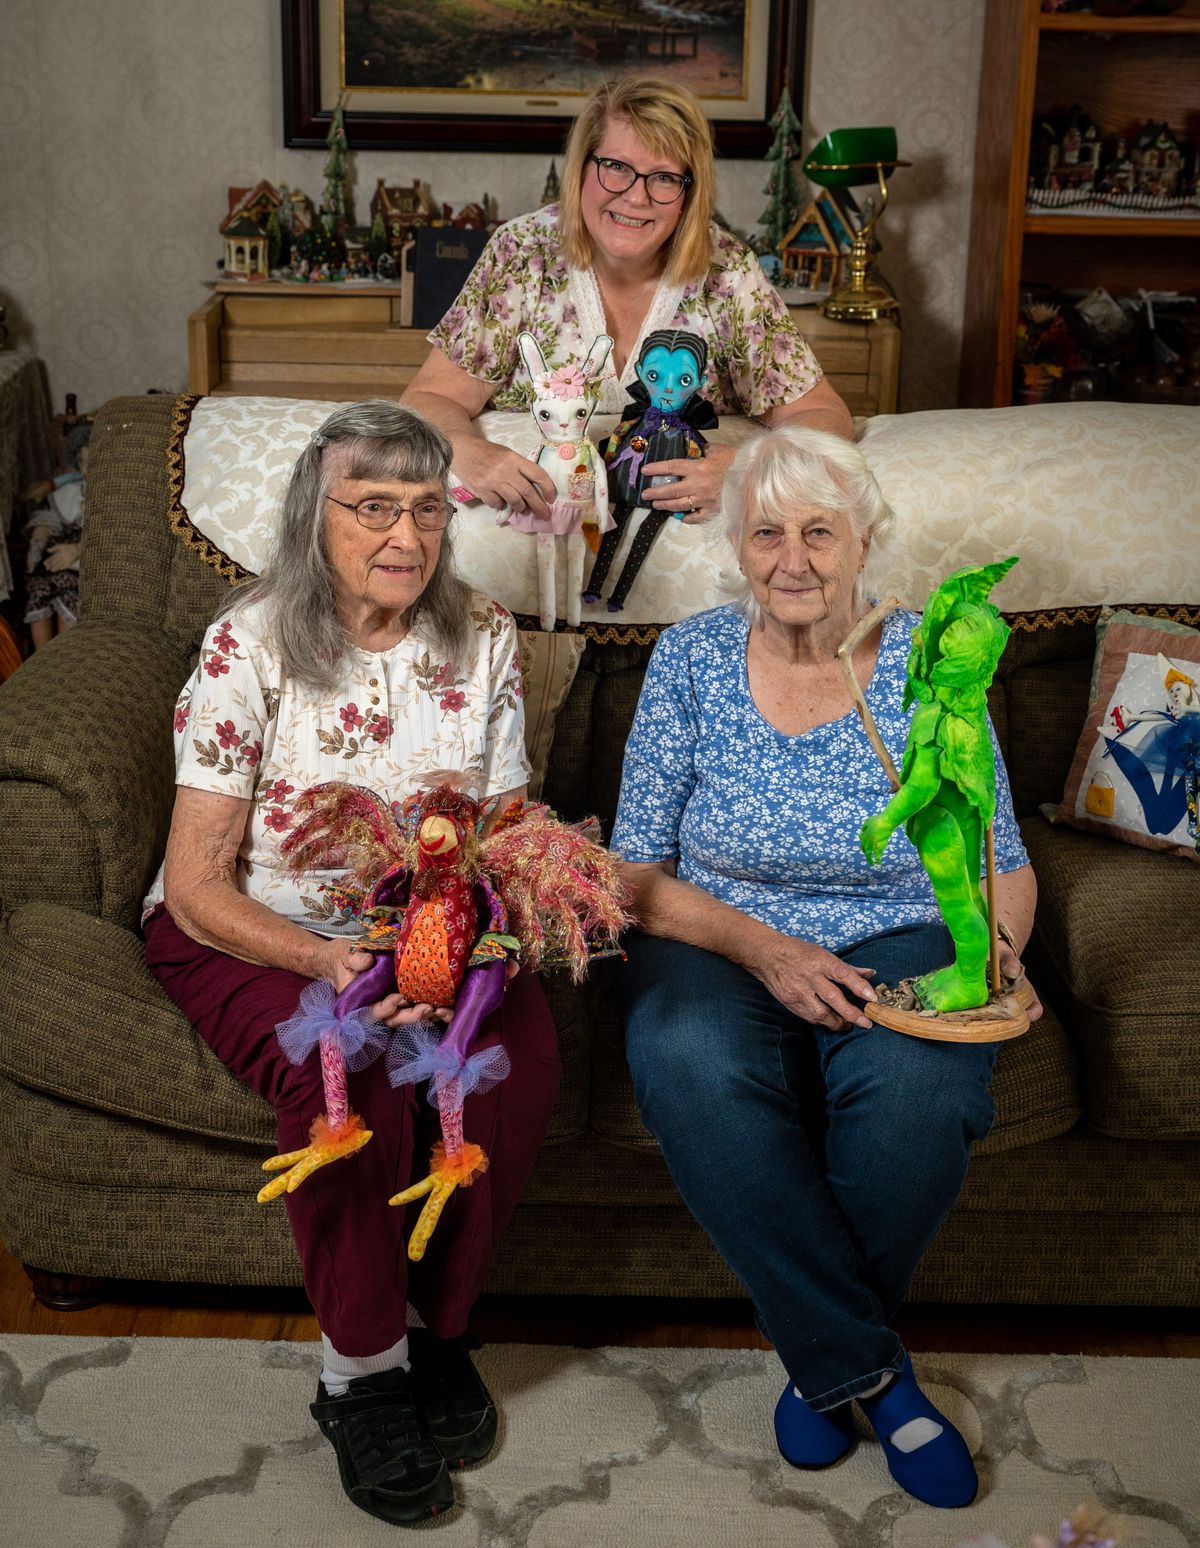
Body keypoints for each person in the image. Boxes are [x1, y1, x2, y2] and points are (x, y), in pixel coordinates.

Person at [142, 401, 560, 1528]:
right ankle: (361, 1375)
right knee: (358, 1064)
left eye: (427, 509)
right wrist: (334, 965)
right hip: (254, 923)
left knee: (510, 1060)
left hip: (433, 923)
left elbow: (508, 825)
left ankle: (439, 1332)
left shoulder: (484, 635)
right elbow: (195, 885)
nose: (406, 538)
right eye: (373, 507)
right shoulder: (251, 642)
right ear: (311, 517)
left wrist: (487, 928)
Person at [609, 425, 1042, 1510]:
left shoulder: (926, 661)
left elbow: (1003, 859)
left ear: (863, 546)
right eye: (767, 533)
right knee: (684, 1054)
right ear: (736, 549)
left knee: (925, 1092)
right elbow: (631, 873)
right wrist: (766, 949)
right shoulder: (692, 658)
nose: (793, 558)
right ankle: (873, 1377)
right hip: (721, 931)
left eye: (819, 532)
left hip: (900, 930)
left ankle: (819, 1365)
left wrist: (996, 949)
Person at [401, 75, 852, 535]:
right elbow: (430, 398)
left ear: (689, 194)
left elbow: (823, 416)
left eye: (663, 178)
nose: (636, 197)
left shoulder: (727, 271)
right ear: (582, 168)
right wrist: (468, 450)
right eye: (615, 166)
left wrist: (747, 470)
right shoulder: (521, 252)